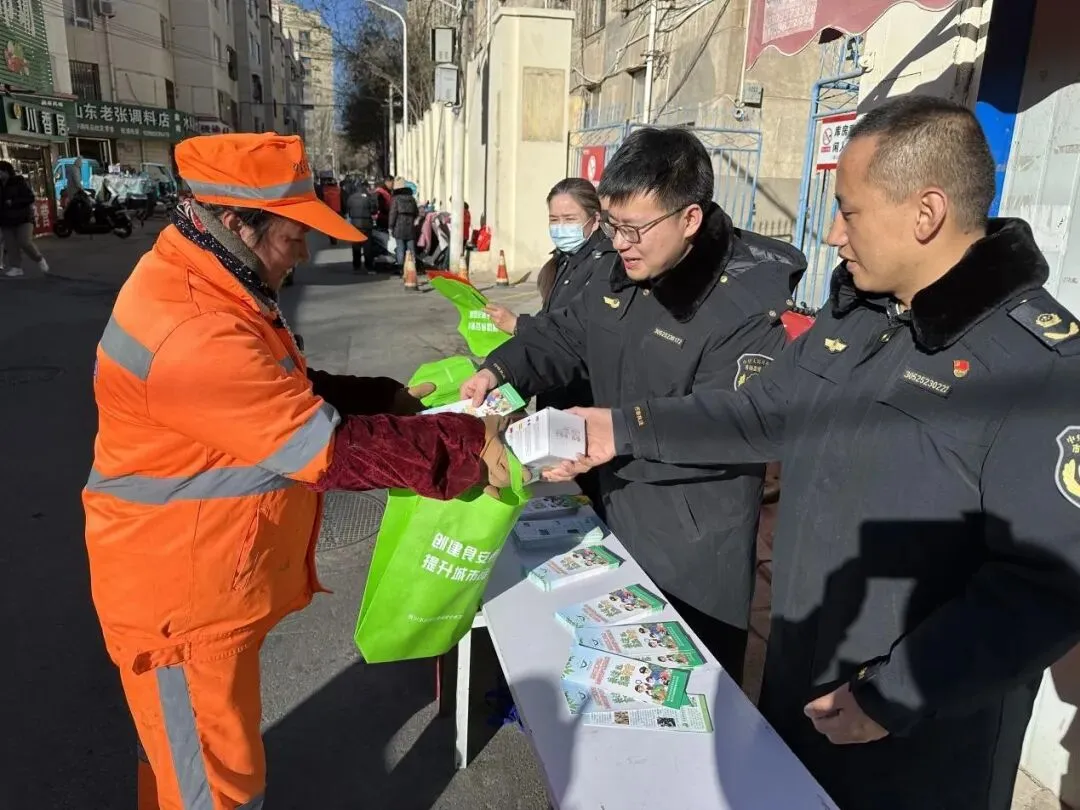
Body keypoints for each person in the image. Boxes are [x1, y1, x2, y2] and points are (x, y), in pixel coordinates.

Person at [561, 96, 1080, 810]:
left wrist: (890, 695)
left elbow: (1048, 584)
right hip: (804, 681)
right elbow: (766, 409)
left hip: (913, 741)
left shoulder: (1040, 368)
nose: (832, 231)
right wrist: (621, 428)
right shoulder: (862, 314)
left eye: (850, 209)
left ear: (925, 213)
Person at [82, 132, 520, 809]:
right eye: (293, 237)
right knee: (213, 789)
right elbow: (328, 451)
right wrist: (465, 446)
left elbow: (283, 385)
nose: (305, 252)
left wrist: (385, 398)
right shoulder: (194, 325)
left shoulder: (209, 280)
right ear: (236, 223)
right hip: (178, 603)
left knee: (183, 766)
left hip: (197, 581)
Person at [460, 127, 807, 678]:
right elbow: (567, 333)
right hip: (609, 495)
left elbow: (736, 421)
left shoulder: (743, 304)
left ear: (689, 219)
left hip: (689, 531)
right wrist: (502, 366)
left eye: (635, 229)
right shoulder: (619, 267)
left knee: (685, 677)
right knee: (610, 669)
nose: (620, 243)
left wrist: (620, 430)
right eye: (614, 226)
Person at [483, 177, 609, 507]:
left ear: (595, 219)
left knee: (584, 483)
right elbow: (552, 325)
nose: (560, 227)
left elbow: (571, 334)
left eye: (569, 219)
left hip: (585, 394)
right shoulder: (566, 261)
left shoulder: (605, 266)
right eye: (555, 219)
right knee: (561, 483)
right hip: (555, 390)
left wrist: (519, 326)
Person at [0, 161, 48, 277]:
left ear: (7, 171)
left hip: (23, 218)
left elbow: (29, 197)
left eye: (1, 171)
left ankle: (39, 258)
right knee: (11, 245)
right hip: (6, 220)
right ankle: (16, 267)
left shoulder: (18, 181)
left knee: (24, 241)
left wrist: (13, 202)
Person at [346, 180, 379, 274]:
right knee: (367, 247)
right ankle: (369, 267)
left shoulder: (351, 198)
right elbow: (374, 210)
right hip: (366, 224)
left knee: (356, 246)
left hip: (354, 224)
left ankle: (356, 265)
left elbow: (347, 209)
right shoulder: (368, 197)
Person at [388, 176, 419, 269]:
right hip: (410, 227)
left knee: (400, 248)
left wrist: (390, 227)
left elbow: (393, 214)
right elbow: (416, 212)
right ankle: (413, 266)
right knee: (411, 248)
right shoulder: (412, 199)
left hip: (399, 226)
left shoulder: (396, 199)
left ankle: (401, 267)